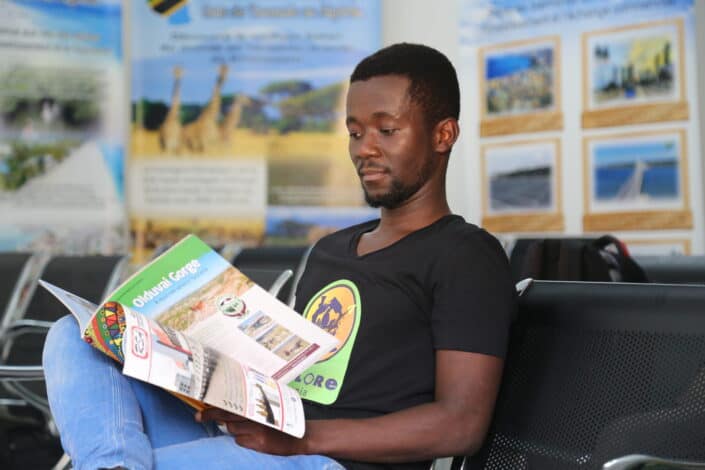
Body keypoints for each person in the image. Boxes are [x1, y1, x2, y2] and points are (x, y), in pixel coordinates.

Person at [42, 43, 516, 470]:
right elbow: (285, 372)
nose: (365, 149)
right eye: (354, 133)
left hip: (332, 461)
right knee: (78, 336)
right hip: (265, 442)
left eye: (386, 130)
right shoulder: (330, 249)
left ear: (443, 134)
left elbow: (460, 424)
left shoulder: (465, 255)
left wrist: (304, 440)